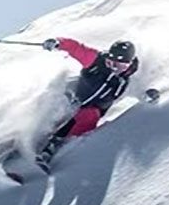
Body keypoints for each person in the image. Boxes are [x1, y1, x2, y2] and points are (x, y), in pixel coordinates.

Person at [36, 37, 139, 168]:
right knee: (56, 106)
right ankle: (23, 135)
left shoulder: (128, 79)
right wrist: (58, 43)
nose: (113, 68)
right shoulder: (96, 61)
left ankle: (58, 146)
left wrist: (151, 94)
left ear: (129, 64)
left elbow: (141, 89)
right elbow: (77, 48)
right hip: (74, 96)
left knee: (88, 116)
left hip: (92, 109)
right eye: (110, 63)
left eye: (119, 66)